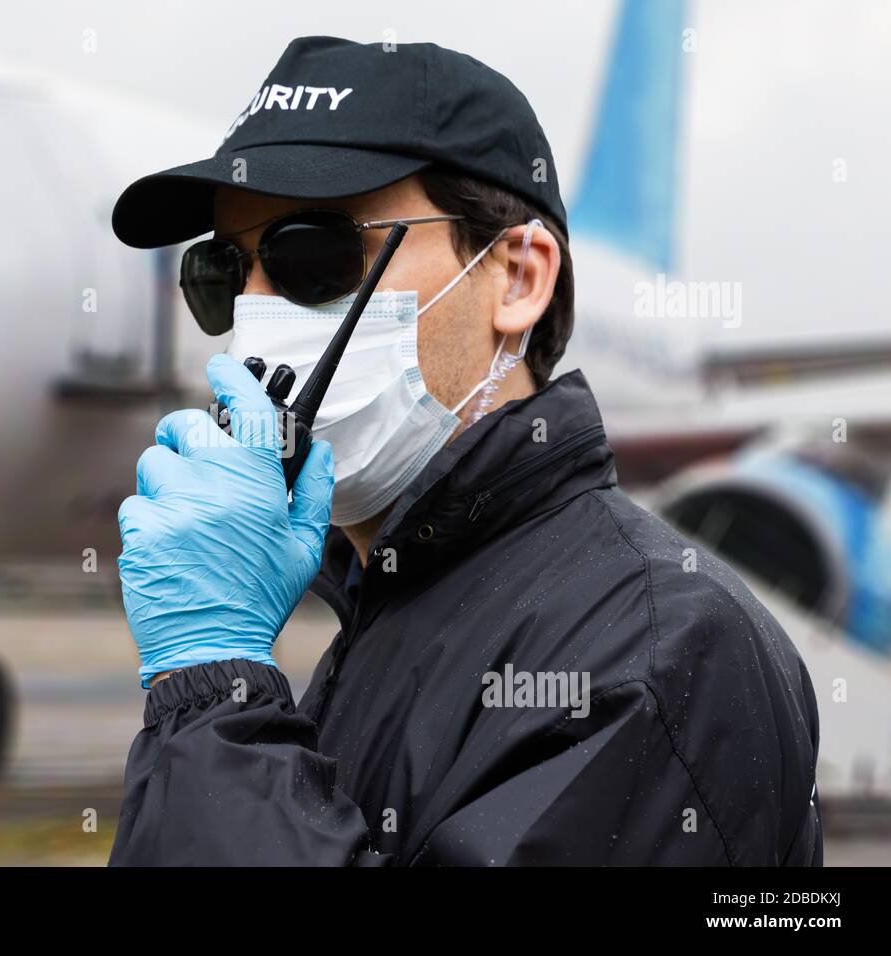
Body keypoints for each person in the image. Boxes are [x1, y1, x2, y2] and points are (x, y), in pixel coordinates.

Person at [105, 36, 822, 865]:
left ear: (516, 276)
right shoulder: (395, 612)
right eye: (223, 273)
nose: (255, 314)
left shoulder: (659, 653)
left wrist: (211, 692)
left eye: (314, 253)